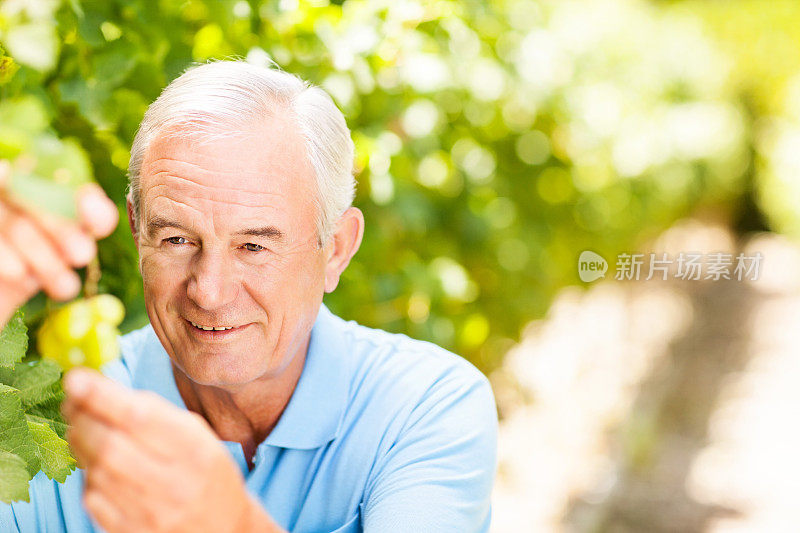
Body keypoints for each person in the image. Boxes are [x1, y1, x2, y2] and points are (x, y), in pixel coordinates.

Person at [0, 60, 498, 532]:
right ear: (136, 231)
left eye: (254, 246)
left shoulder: (424, 405)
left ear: (337, 249)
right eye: (176, 239)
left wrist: (230, 522)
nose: (209, 292)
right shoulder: (52, 420)